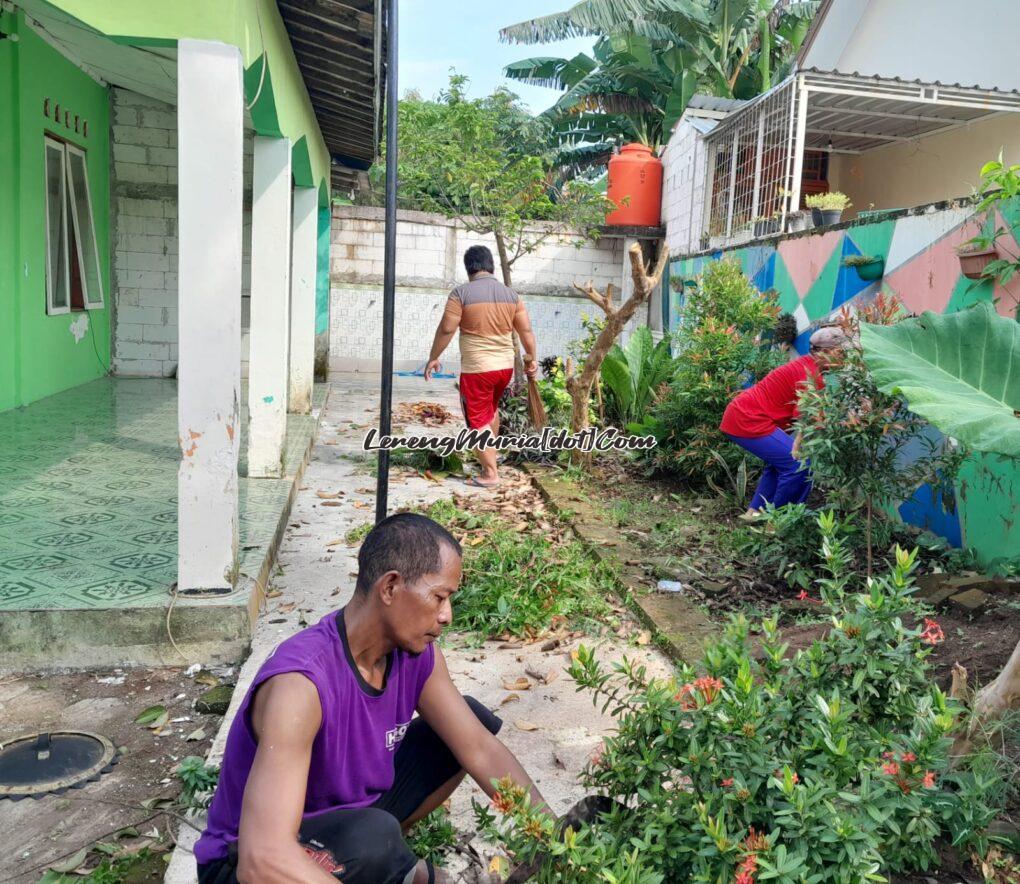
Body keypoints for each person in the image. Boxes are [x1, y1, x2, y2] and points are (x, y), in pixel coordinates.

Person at [193, 513, 549, 884]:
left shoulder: (416, 656)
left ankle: (383, 863)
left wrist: (557, 841)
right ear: (391, 588)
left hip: (348, 823)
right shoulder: (300, 685)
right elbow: (262, 860)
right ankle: (382, 863)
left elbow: (478, 748)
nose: (447, 616)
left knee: (468, 723)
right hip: (243, 862)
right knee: (373, 837)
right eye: (439, 597)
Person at [425, 245, 538, 488]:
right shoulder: (512, 295)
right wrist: (532, 357)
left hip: (478, 368)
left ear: (469, 268)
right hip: (504, 369)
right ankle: (491, 459)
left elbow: (447, 328)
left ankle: (490, 474)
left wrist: (434, 356)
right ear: (491, 266)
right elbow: (526, 330)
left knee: (476, 420)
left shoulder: (461, 293)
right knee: (490, 411)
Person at [719, 326, 848, 519]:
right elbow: (807, 417)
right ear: (827, 353)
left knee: (782, 462)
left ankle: (754, 513)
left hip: (746, 415)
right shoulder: (813, 375)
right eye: (842, 352)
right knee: (800, 464)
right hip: (748, 419)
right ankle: (778, 523)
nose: (845, 357)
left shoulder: (810, 365)